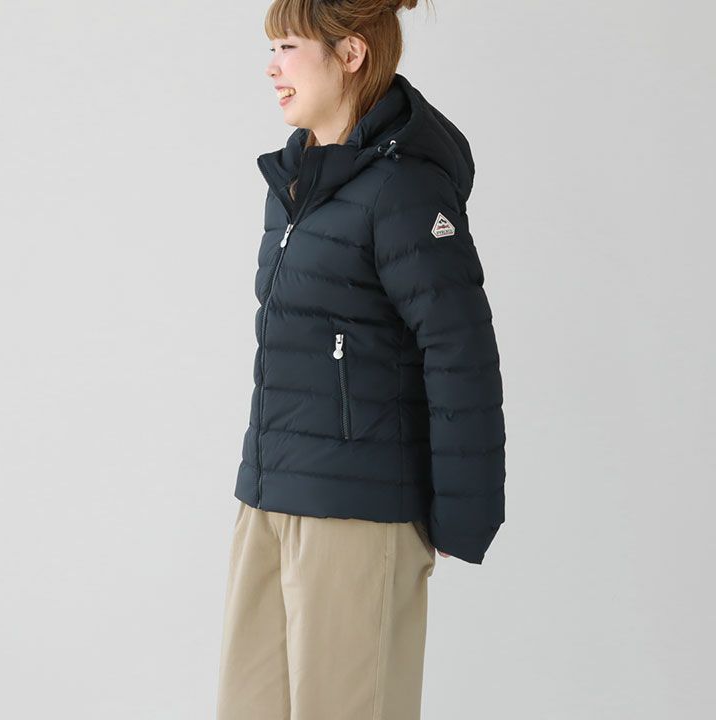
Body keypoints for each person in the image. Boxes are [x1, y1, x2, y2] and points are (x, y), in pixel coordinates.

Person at [216, 1, 506, 717]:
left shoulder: (404, 189)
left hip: (357, 512)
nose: (271, 67)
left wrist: (461, 511)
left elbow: (459, 349)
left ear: (350, 54)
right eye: (271, 48)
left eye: (288, 46)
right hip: (269, 499)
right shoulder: (295, 187)